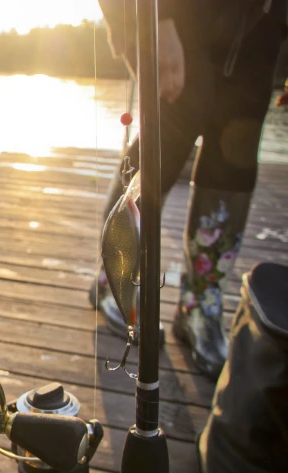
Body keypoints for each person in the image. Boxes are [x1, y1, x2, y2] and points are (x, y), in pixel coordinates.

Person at [92, 0, 287, 378]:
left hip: (264, 23)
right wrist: (157, 21)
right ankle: (112, 281)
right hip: (177, 13)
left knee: (236, 149)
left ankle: (199, 306)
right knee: (169, 128)